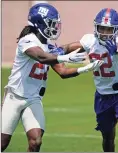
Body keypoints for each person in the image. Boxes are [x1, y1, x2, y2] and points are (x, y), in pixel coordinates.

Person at [1, 3, 103, 152]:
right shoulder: (27, 40)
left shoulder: (48, 45)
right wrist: (64, 58)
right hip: (14, 97)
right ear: (40, 23)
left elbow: (62, 72)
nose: (55, 27)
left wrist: (84, 68)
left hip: (33, 99)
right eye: (52, 24)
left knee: (36, 141)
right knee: (2, 143)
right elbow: (41, 57)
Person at [59, 8, 118, 152]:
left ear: (116, 29)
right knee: (108, 136)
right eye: (102, 28)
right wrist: (57, 52)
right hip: (103, 95)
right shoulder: (90, 41)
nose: (104, 32)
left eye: (109, 29)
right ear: (96, 27)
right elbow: (68, 47)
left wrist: (115, 48)